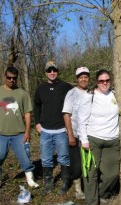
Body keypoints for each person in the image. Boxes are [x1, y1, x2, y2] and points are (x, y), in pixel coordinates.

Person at [0, 66, 38, 198]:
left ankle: (30, 180)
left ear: (17, 78)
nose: (11, 80)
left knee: (25, 157)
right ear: (5, 77)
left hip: (19, 133)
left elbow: (28, 114)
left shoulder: (22, 94)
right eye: (9, 78)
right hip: (0, 134)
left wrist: (28, 131)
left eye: (14, 78)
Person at [78, 69, 120, 205]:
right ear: (97, 82)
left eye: (107, 80)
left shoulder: (115, 95)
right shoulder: (89, 96)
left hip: (112, 140)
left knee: (112, 174)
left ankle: (101, 194)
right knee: (91, 173)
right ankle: (91, 202)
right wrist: (84, 140)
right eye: (102, 81)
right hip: (93, 138)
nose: (105, 83)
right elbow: (81, 119)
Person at [33, 61, 73, 195]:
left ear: (57, 71)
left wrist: (70, 126)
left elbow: (75, 104)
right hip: (45, 131)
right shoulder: (40, 88)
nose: (52, 72)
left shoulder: (66, 87)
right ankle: (48, 184)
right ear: (45, 73)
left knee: (63, 158)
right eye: (49, 70)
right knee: (46, 159)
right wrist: (37, 123)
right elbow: (36, 106)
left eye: (54, 70)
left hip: (61, 130)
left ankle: (65, 183)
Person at [62, 67, 90, 200]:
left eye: (86, 77)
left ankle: (90, 187)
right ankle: (78, 190)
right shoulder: (72, 93)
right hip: (76, 135)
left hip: (90, 135)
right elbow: (66, 115)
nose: (84, 79)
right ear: (77, 79)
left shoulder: (92, 93)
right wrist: (70, 134)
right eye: (81, 77)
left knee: (89, 163)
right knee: (77, 165)